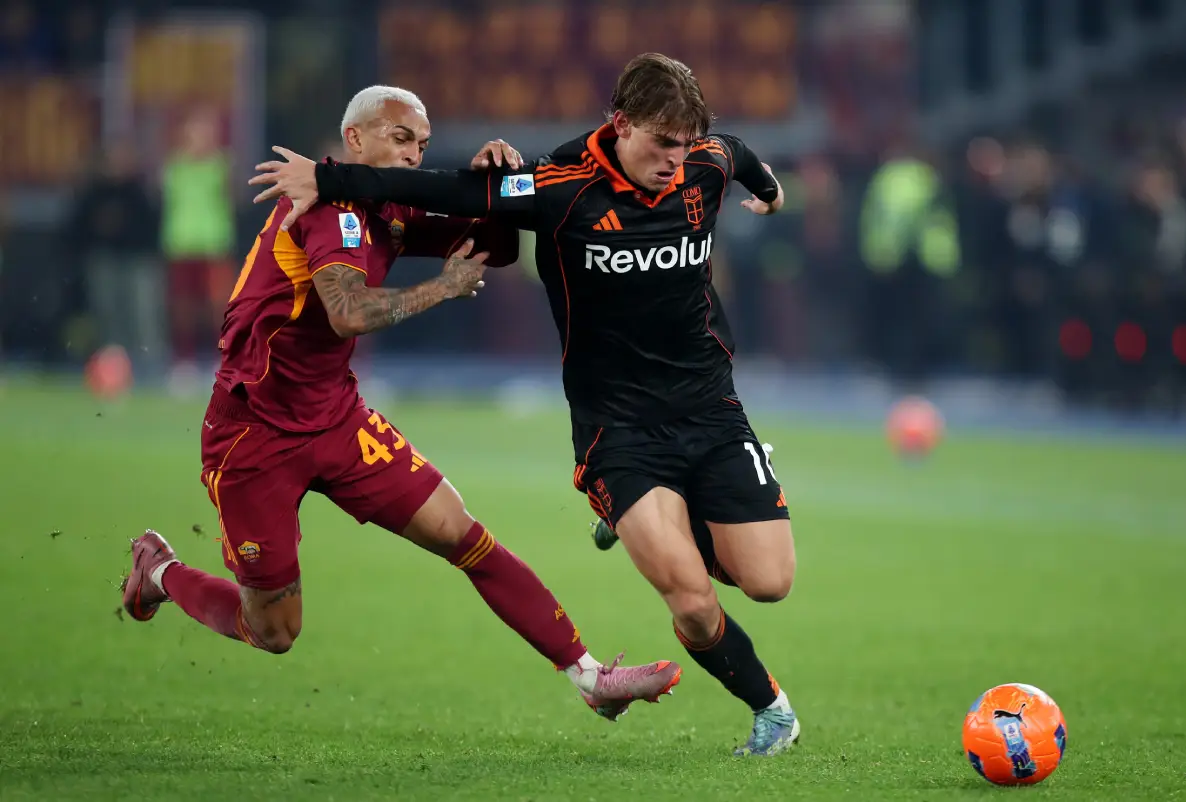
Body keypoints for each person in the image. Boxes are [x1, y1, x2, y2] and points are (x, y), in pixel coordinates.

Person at [248, 55, 798, 757]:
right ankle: (772, 710)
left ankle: (665, 513)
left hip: (711, 408)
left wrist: (770, 191)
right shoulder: (557, 184)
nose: (675, 160)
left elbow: (739, 154)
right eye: (663, 143)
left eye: (686, 145)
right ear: (621, 124)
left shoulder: (704, 164)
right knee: (691, 602)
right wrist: (329, 179)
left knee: (770, 583)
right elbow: (443, 189)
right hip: (618, 427)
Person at [121, 85, 683, 721]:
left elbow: (495, 248)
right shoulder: (326, 208)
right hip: (255, 431)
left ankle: (590, 676)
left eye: (422, 143)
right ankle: (160, 571)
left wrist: (493, 186)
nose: (415, 154)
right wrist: (442, 288)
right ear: (355, 139)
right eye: (401, 138)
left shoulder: (386, 204)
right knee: (273, 631)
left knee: (463, 535)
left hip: (336, 416)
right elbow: (346, 312)